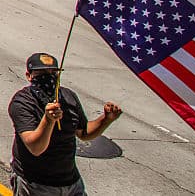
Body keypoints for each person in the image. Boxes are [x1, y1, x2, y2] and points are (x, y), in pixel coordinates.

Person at [8, 53, 123, 196]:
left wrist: (106, 119)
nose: (48, 76)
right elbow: (35, 147)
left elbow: (84, 133)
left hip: (70, 182)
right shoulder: (22, 102)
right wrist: (48, 120)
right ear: (29, 75)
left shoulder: (69, 97)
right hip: (36, 183)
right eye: (41, 72)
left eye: (53, 72)